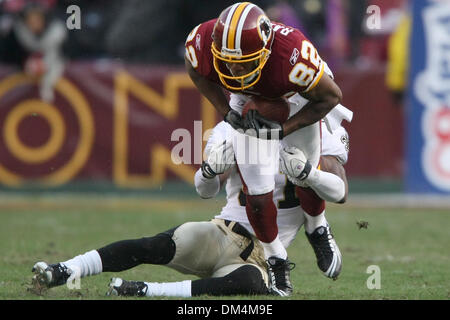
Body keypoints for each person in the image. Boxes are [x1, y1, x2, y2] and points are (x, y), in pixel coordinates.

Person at [31, 111, 351, 297]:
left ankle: (147, 290)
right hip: (223, 231)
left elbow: (340, 191)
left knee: (251, 284)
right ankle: (65, 269)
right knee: (154, 245)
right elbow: (204, 190)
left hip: (262, 255)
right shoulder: (232, 125)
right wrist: (210, 168)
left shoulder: (319, 127)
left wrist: (309, 173)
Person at [184, 2, 343, 295]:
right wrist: (223, 109)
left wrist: (284, 129)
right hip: (245, 101)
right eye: (227, 60)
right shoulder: (202, 41)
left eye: (244, 61)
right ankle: (275, 258)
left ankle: (317, 227)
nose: (234, 68)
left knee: (303, 174)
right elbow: (195, 70)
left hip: (298, 98)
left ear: (266, 51)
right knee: (257, 193)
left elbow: (331, 96)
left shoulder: (292, 57)